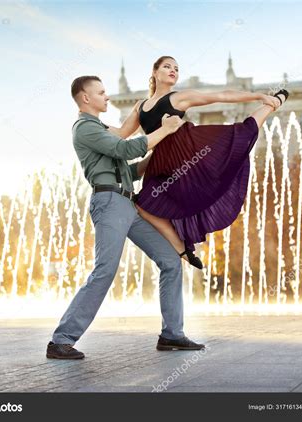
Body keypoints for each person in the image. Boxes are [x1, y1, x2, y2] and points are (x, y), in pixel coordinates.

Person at [47, 75, 205, 360]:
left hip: (127, 203)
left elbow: (130, 170)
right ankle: (61, 340)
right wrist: (165, 131)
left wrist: (159, 153)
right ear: (86, 98)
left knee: (170, 261)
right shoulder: (85, 128)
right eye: (102, 92)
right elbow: (125, 149)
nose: (107, 97)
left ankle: (172, 334)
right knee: (105, 270)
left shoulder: (102, 130)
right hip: (109, 203)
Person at [108, 56, 289, 270]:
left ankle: (273, 103)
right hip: (162, 163)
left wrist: (259, 95)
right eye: (167, 67)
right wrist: (90, 122)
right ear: (155, 72)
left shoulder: (179, 97)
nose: (173, 70)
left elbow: (221, 95)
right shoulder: (141, 106)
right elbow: (121, 133)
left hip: (189, 151)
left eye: (176, 68)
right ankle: (183, 249)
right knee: (142, 205)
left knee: (242, 132)